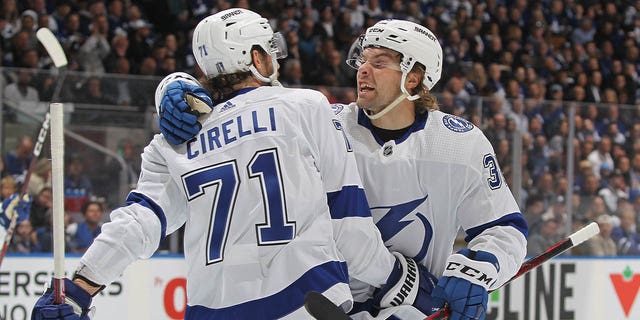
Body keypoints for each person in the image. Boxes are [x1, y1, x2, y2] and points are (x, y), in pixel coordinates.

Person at [31, 9, 436, 320]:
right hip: (307, 301)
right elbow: (349, 227)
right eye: (269, 51)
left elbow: (140, 222)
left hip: (213, 310)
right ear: (256, 57)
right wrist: (397, 281)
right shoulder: (306, 106)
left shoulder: (171, 141)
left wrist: (80, 286)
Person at [156, 18, 528, 320]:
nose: (363, 70)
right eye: (363, 60)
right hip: (331, 307)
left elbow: (503, 228)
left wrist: (476, 271)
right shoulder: (328, 124)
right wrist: (178, 87)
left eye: (380, 62)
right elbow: (254, 107)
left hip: (413, 309)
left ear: (414, 78)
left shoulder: (457, 142)